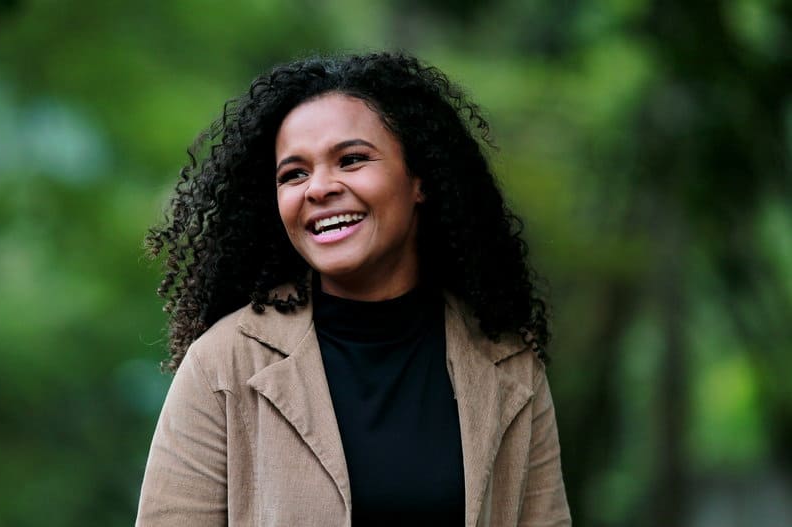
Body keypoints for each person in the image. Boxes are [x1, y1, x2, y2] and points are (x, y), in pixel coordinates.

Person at [137, 51, 570, 526]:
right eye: (294, 173)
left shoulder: (509, 361)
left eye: (352, 159)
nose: (318, 188)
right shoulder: (222, 364)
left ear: (420, 180)